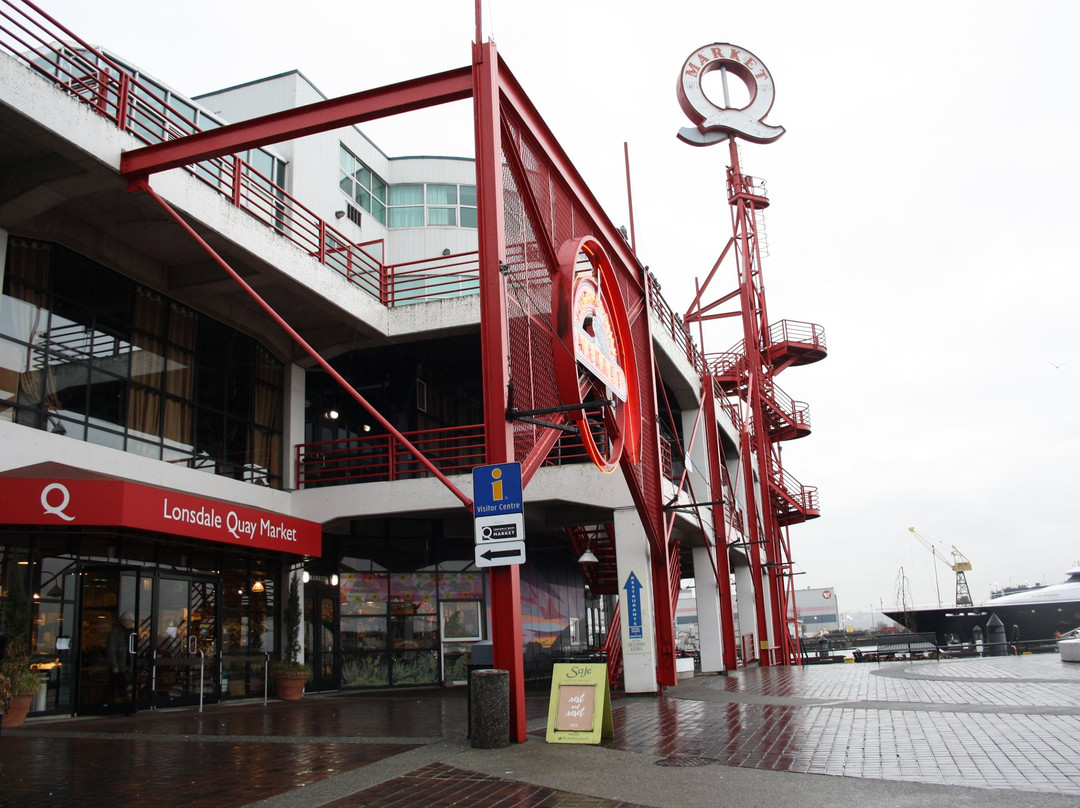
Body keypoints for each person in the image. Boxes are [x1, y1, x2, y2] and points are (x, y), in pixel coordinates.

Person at [106, 611, 135, 707]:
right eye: (130, 620)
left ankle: (107, 702)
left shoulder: (132, 632)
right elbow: (111, 649)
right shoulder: (116, 632)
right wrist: (114, 665)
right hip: (119, 664)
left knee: (116, 685)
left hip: (127, 663)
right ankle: (126, 705)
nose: (131, 622)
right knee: (121, 685)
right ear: (124, 621)